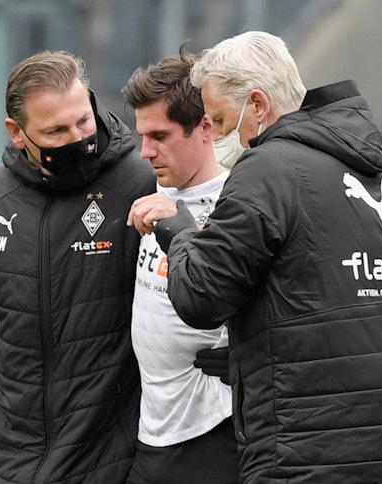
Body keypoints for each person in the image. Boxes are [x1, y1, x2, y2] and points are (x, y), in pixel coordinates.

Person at [129, 31, 382, 483]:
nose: (213, 133)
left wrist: (176, 229)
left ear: (257, 105)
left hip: (302, 450)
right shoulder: (378, 174)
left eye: (217, 118)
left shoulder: (266, 167)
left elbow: (199, 296)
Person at [0, 50, 155, 483]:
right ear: (17, 132)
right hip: (5, 470)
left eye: (83, 121)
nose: (77, 138)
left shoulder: (145, 183)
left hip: (114, 468)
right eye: (55, 131)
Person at [121, 52, 238, 483]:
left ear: (205, 127)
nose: (146, 151)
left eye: (159, 136)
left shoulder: (238, 204)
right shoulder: (147, 186)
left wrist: (246, 352)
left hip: (211, 429)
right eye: (142, 135)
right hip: (149, 431)